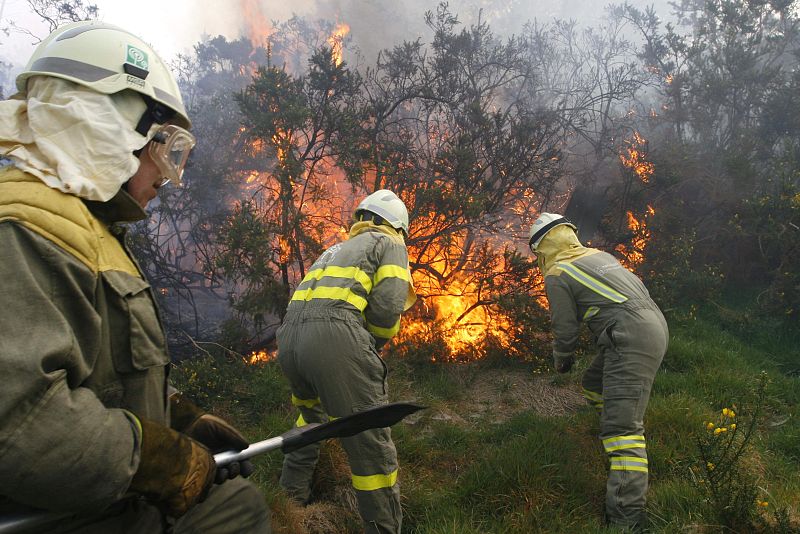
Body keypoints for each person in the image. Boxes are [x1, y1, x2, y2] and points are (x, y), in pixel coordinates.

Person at [0, 21, 270, 533]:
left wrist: (179, 420)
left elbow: (98, 372)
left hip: (104, 502)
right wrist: (154, 459)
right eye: (167, 150)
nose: (167, 176)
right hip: (67, 516)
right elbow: (19, 424)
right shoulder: (23, 229)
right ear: (110, 127)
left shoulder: (83, 227)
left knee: (237, 504)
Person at [276, 189, 416, 534]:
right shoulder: (390, 243)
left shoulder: (332, 251)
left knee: (310, 422)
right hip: (333, 340)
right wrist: (370, 346)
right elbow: (387, 307)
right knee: (369, 444)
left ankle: (286, 510)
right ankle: (383, 528)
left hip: (290, 341)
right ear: (397, 226)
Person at [528, 212, 669, 531]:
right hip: (654, 324)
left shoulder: (558, 272)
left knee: (623, 430)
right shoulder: (598, 255)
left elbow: (564, 328)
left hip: (629, 336)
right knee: (594, 382)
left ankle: (626, 517)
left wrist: (561, 360)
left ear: (542, 249)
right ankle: (616, 429)